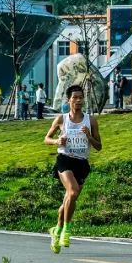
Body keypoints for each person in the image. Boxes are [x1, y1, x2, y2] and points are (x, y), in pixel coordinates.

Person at [43, 85, 102, 254]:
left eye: (81, 97)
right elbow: (46, 138)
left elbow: (99, 146)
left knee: (69, 199)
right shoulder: (61, 119)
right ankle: (67, 231)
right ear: (68, 100)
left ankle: (57, 230)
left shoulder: (91, 121)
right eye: (75, 97)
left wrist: (89, 136)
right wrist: (56, 141)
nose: (78, 100)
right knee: (73, 191)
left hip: (82, 163)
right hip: (65, 160)